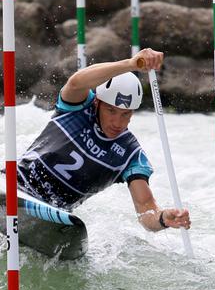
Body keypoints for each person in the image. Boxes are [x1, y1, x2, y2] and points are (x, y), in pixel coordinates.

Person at [17, 48, 191, 232]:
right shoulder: (77, 109)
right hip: (15, 184)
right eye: (111, 111)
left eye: (126, 114)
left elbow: (146, 208)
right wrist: (131, 64)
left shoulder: (131, 154)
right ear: (97, 103)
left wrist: (163, 218)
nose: (118, 122)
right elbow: (76, 82)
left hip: (51, 214)